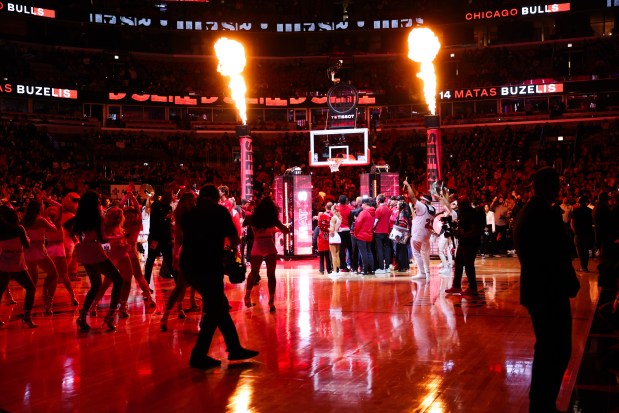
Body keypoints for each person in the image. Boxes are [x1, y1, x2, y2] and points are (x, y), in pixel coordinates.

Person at [514, 167, 580, 413]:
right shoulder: (546, 213)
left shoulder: (526, 211)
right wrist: (571, 283)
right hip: (549, 289)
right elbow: (559, 253)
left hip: (535, 287)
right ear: (550, 187)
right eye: (557, 185)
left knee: (547, 349)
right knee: (558, 349)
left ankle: (541, 404)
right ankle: (543, 405)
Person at [180, 184, 258, 369]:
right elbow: (234, 239)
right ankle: (200, 355)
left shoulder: (189, 214)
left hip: (189, 265)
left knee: (218, 306)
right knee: (217, 307)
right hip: (209, 265)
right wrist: (229, 254)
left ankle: (233, 348)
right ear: (216, 197)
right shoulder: (219, 211)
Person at [72, 190, 124, 332]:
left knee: (96, 285)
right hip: (94, 251)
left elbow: (71, 231)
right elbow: (103, 239)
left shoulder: (80, 216)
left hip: (83, 251)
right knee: (118, 280)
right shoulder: (98, 217)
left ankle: (82, 317)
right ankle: (110, 317)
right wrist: (119, 238)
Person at [244, 196, 290, 311]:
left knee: (254, 272)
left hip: (257, 243)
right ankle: (271, 301)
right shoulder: (272, 219)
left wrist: (253, 206)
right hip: (269, 243)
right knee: (271, 275)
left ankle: (247, 296)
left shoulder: (252, 218)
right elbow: (286, 231)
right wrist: (281, 227)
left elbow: (246, 215)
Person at [161, 192, 197, 331]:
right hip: (192, 252)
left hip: (185, 251)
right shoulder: (192, 216)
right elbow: (177, 239)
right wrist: (175, 256)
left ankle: (166, 316)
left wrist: (176, 256)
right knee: (190, 285)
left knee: (180, 286)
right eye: (192, 200)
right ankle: (169, 314)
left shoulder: (181, 217)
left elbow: (177, 240)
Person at [0, 206, 37, 328]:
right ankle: (27, 317)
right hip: (18, 264)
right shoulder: (18, 228)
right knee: (30, 288)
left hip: (4, 263)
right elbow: (26, 245)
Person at [22, 198, 60, 315]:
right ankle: (48, 304)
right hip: (39, 250)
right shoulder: (41, 220)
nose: (44, 207)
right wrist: (49, 218)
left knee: (33, 280)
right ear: (39, 208)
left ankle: (28, 306)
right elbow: (55, 229)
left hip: (28, 251)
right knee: (54, 274)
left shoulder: (26, 220)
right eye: (42, 205)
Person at [445, 195, 484, 296]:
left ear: (465, 204)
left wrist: (462, 235)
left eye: (461, 204)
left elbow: (474, 230)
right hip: (463, 242)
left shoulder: (472, 214)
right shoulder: (464, 214)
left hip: (470, 243)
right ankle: (456, 286)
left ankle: (473, 287)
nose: (460, 207)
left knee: (468, 266)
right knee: (458, 265)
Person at [403, 180, 435, 280]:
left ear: (424, 201)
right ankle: (427, 271)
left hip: (419, 234)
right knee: (425, 253)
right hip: (427, 234)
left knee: (416, 253)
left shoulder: (422, 207)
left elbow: (412, 197)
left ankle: (422, 273)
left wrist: (408, 185)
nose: (420, 201)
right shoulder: (432, 208)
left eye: (421, 200)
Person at [144, 190, 175, 284]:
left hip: (165, 239)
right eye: (169, 197)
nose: (170, 199)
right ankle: (146, 284)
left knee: (169, 261)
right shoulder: (156, 205)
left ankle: (178, 282)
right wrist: (167, 217)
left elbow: (167, 223)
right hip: (155, 238)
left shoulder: (169, 207)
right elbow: (157, 221)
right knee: (150, 260)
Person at [571, 195, 594, 272]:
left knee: (580, 251)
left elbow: (572, 223)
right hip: (587, 233)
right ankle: (585, 266)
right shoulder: (590, 211)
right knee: (586, 250)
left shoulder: (576, 211)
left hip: (578, 233)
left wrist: (575, 231)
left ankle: (583, 266)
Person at [353, 198, 375, 275]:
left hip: (361, 235)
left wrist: (355, 232)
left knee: (363, 253)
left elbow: (358, 224)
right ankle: (372, 269)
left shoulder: (363, 213)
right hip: (369, 235)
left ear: (365, 203)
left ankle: (365, 270)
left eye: (362, 204)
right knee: (369, 252)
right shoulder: (373, 212)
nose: (361, 206)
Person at [373, 194, 392, 275]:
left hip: (378, 232)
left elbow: (375, 222)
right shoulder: (388, 209)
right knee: (387, 249)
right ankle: (387, 267)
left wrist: (371, 228)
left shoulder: (378, 210)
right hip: (386, 232)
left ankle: (381, 268)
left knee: (380, 250)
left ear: (378, 201)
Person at [336, 195, 353, 272]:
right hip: (348, 230)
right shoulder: (350, 208)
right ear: (346, 201)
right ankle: (353, 266)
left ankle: (343, 266)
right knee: (350, 249)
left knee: (342, 250)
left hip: (340, 231)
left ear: (339, 201)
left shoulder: (337, 209)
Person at [328, 204, 342, 276]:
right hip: (338, 237)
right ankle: (338, 271)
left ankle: (334, 271)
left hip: (333, 237)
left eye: (332, 209)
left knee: (333, 255)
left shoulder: (333, 218)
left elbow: (332, 230)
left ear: (334, 210)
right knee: (337, 255)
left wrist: (325, 228)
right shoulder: (339, 217)